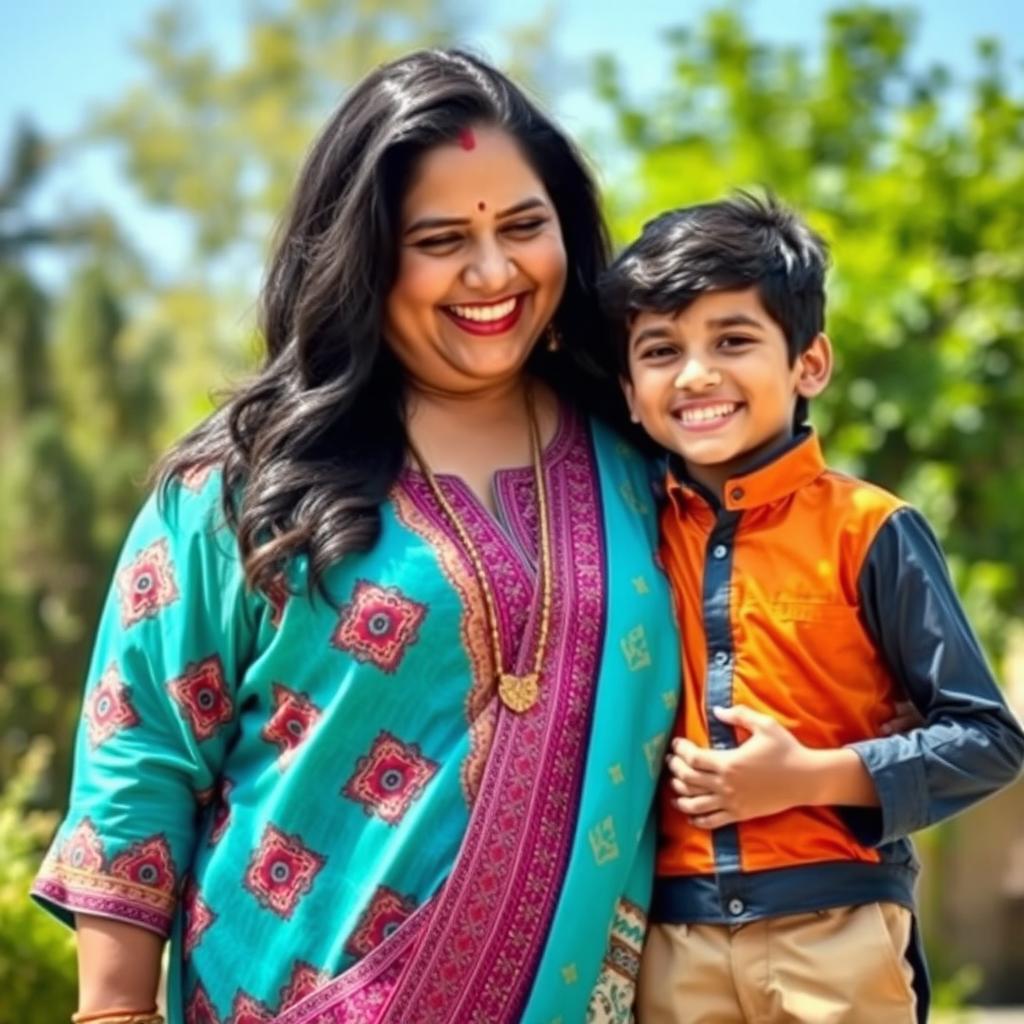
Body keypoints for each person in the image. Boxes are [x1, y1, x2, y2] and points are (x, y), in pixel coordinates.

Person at [31, 49, 683, 1024]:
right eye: (438, 239)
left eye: (522, 226)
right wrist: (115, 1008)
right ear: (361, 252)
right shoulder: (244, 485)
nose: (493, 271)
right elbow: (144, 754)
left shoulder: (652, 474)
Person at [598, 192, 1024, 1024]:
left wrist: (807, 778)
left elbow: (988, 741)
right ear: (628, 389)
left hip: (837, 934)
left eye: (734, 340)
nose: (696, 374)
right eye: (660, 350)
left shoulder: (871, 530)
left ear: (809, 364)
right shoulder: (626, 534)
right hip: (671, 945)